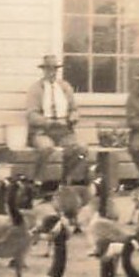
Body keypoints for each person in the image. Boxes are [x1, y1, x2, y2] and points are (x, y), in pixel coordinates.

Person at [25, 54, 87, 186]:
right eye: (48, 69)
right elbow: (32, 115)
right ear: (44, 70)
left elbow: (74, 109)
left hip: (64, 131)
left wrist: (73, 117)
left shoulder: (65, 87)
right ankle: (37, 180)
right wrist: (49, 122)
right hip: (42, 131)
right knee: (46, 148)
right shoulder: (36, 89)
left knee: (81, 149)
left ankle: (65, 179)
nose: (52, 73)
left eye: (54, 69)